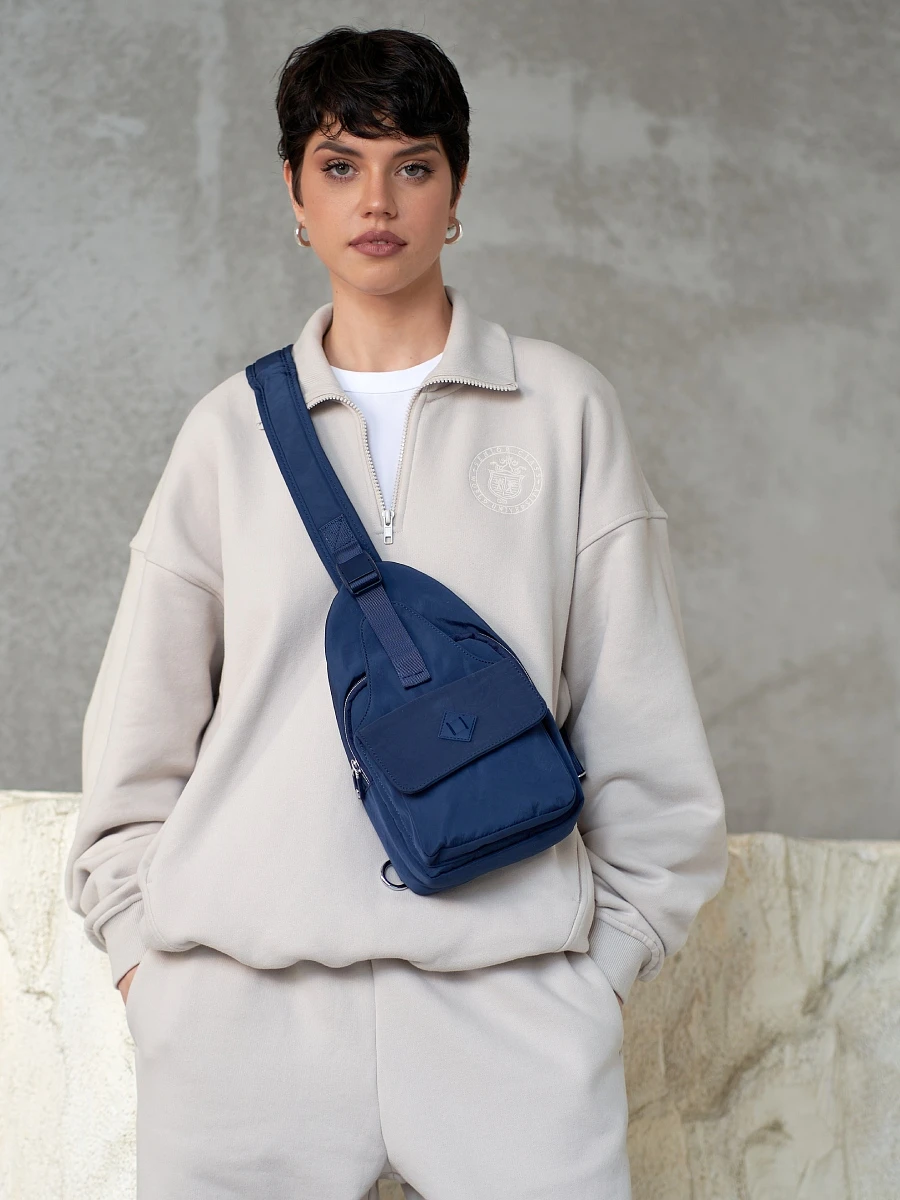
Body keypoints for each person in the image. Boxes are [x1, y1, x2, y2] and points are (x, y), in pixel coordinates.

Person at [64, 24, 728, 1200]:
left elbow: (645, 724)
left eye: (412, 164)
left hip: (510, 1008)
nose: (377, 201)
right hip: (242, 1023)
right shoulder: (227, 435)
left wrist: (597, 976)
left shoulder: (564, 411)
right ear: (295, 192)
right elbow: (136, 746)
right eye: (340, 165)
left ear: (456, 189)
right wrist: (151, 979)